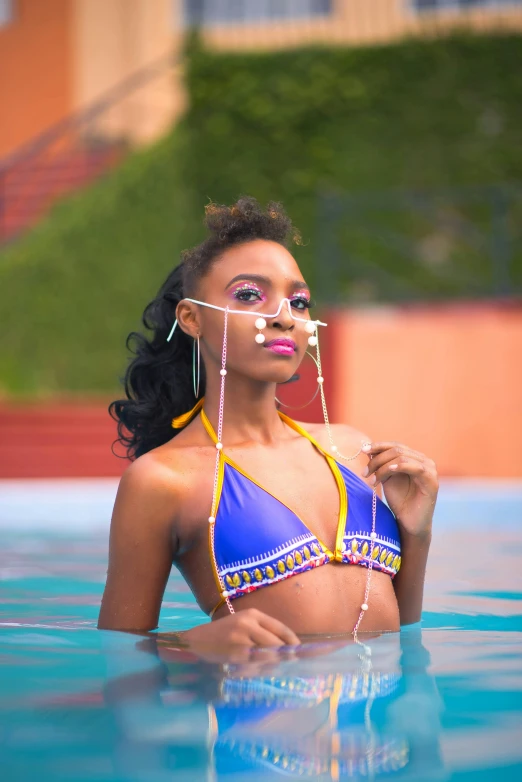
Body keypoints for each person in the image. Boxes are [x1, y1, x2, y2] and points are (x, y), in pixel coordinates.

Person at [98, 197, 438, 647]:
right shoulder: (163, 481)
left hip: (378, 717)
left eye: (299, 302)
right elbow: (117, 652)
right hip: (257, 710)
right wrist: (192, 643)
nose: (284, 317)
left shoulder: (354, 450)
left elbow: (404, 633)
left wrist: (417, 533)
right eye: (248, 295)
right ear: (192, 318)